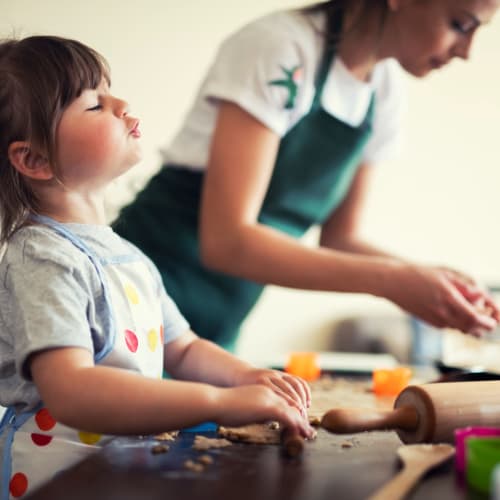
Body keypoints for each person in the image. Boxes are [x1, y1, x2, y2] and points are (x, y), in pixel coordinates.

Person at [0, 35, 314, 498]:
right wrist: (219, 402)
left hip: (118, 472)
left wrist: (245, 376)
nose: (121, 104)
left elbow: (182, 349)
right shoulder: (43, 257)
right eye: (93, 105)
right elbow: (71, 388)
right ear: (34, 159)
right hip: (56, 479)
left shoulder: (127, 256)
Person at [115, 0, 500, 351]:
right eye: (461, 24)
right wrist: (392, 281)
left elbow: (341, 239)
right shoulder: (280, 49)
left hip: (214, 334)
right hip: (138, 303)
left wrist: (428, 279)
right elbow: (227, 241)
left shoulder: (383, 93)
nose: (466, 52)